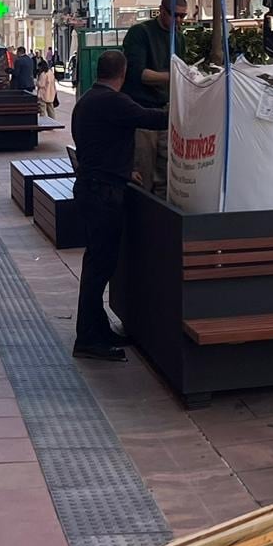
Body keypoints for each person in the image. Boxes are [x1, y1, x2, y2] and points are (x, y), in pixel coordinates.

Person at [70, 49, 168, 361]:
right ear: (123, 74)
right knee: (99, 268)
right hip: (103, 194)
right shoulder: (114, 101)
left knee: (95, 265)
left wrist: (124, 170)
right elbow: (152, 119)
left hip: (92, 186)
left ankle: (97, 329)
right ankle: (88, 338)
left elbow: (99, 146)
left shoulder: (88, 100)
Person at [122, 0, 187, 197]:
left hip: (166, 112)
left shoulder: (179, 38)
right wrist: (175, 75)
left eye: (182, 16)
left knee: (167, 174)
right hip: (143, 111)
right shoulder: (140, 33)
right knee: (144, 173)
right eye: (174, 14)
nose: (178, 20)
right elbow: (140, 74)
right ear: (161, 11)